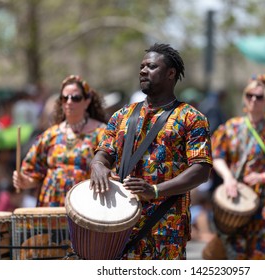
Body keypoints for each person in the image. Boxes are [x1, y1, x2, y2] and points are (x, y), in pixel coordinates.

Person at [89, 43, 213, 260]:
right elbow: (104, 152)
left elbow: (201, 170)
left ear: (170, 74)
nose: (143, 70)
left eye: (152, 66)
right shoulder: (122, 116)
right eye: (142, 66)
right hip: (121, 223)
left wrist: (155, 191)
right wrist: (98, 165)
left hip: (166, 227)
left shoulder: (192, 118)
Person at [211, 74, 265, 260]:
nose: (253, 99)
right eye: (249, 95)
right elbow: (217, 156)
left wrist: (262, 178)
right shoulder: (231, 127)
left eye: (259, 96)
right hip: (237, 201)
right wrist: (228, 178)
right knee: (235, 258)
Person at [12, 75, 107, 207]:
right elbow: (33, 174)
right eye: (64, 98)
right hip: (51, 211)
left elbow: (111, 170)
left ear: (87, 101)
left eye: (75, 98)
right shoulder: (50, 135)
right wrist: (24, 181)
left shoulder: (101, 133)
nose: (69, 102)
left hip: (85, 207)